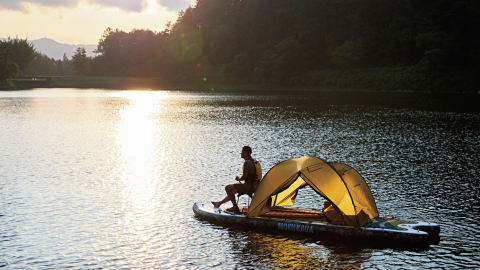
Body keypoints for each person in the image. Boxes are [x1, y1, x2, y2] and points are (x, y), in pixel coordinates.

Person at [212, 146, 258, 214]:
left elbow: (245, 177)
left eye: (242, 151)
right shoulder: (252, 161)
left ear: (246, 153)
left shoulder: (247, 162)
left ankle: (235, 207)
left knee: (227, 188)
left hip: (248, 187)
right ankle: (219, 203)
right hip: (255, 186)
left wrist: (239, 178)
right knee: (233, 191)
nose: (241, 153)